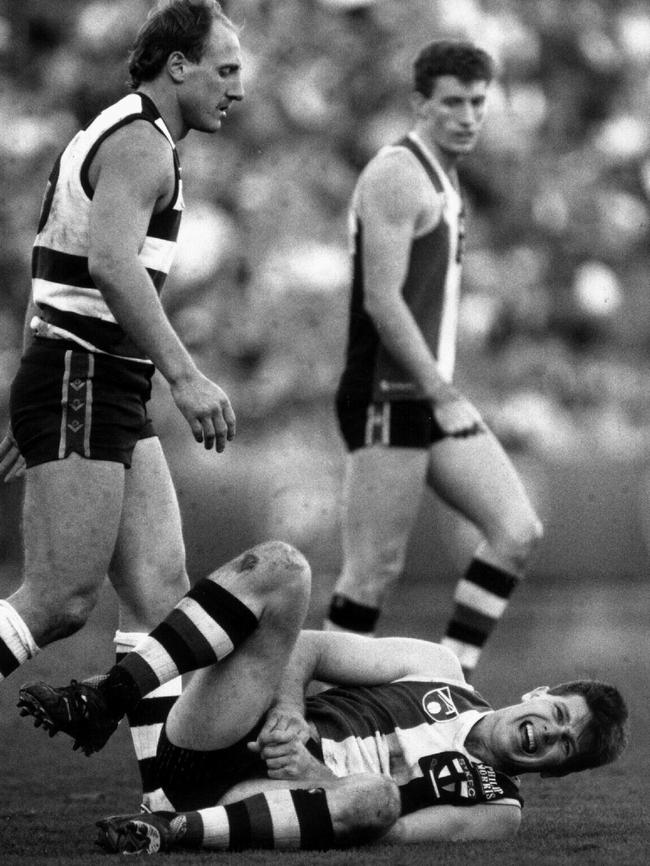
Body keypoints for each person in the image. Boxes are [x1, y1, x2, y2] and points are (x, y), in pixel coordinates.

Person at [0, 0, 243, 792]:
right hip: (87, 376)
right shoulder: (142, 144)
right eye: (225, 70)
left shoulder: (133, 130)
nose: (236, 89)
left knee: (160, 596)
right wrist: (185, 374)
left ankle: (166, 797)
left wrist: (35, 373)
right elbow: (110, 264)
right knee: (62, 599)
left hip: (92, 378)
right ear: (179, 65)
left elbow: (58, 263)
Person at [17, 541, 628, 853]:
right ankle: (111, 699)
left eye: (562, 747)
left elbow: (386, 834)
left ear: (554, 771)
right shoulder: (438, 668)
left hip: (261, 801)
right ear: (539, 692)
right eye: (556, 715)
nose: (548, 733)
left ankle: (166, 832)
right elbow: (306, 648)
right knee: (284, 567)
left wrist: (320, 776)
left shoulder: (498, 808)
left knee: (379, 797)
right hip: (224, 731)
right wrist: (288, 710)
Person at [324, 39, 544, 678]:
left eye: (478, 102)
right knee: (371, 573)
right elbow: (382, 301)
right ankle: (314, 719)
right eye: (453, 102)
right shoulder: (399, 172)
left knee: (516, 530)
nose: (469, 116)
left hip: (421, 388)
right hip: (387, 391)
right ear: (419, 103)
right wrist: (443, 393)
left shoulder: (445, 176)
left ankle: (454, 680)